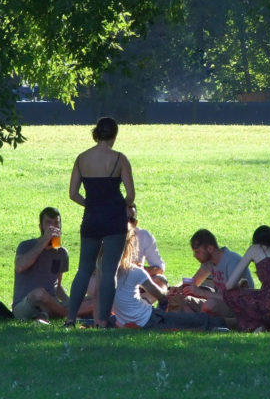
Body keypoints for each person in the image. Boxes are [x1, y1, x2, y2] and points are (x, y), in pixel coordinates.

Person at [64, 117, 135, 328]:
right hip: (114, 220)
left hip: (91, 219)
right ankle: (102, 321)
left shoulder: (82, 159)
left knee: (84, 270)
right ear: (114, 134)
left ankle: (70, 319)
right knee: (109, 272)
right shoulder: (120, 159)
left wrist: (90, 204)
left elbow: (73, 194)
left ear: (96, 133)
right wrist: (119, 206)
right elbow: (130, 195)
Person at [112, 230, 226, 331]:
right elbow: (161, 297)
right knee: (191, 318)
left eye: (197, 252)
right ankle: (228, 323)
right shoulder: (134, 271)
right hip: (150, 319)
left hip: (127, 320)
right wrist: (165, 299)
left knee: (185, 310)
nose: (194, 256)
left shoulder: (106, 273)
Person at [171, 229, 254, 320]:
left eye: (197, 252)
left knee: (210, 305)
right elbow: (195, 281)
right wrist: (178, 289)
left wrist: (201, 293)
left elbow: (233, 298)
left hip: (237, 307)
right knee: (180, 300)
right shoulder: (209, 262)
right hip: (220, 301)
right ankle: (197, 322)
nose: (194, 256)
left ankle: (199, 322)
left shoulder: (232, 261)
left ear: (210, 248)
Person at [12, 207, 69, 322]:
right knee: (39, 294)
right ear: (41, 227)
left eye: (56, 223)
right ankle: (68, 314)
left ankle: (45, 315)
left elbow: (57, 286)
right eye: (48, 223)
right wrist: (44, 241)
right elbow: (20, 267)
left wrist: (69, 301)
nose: (53, 227)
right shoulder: (26, 246)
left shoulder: (61, 253)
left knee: (89, 300)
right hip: (25, 303)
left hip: (50, 302)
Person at [127, 203, 164, 277]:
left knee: (160, 279)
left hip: (134, 279)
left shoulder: (144, 236)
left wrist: (140, 269)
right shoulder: (107, 237)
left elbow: (159, 268)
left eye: (131, 220)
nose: (127, 223)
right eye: (122, 219)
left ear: (136, 223)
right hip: (110, 279)